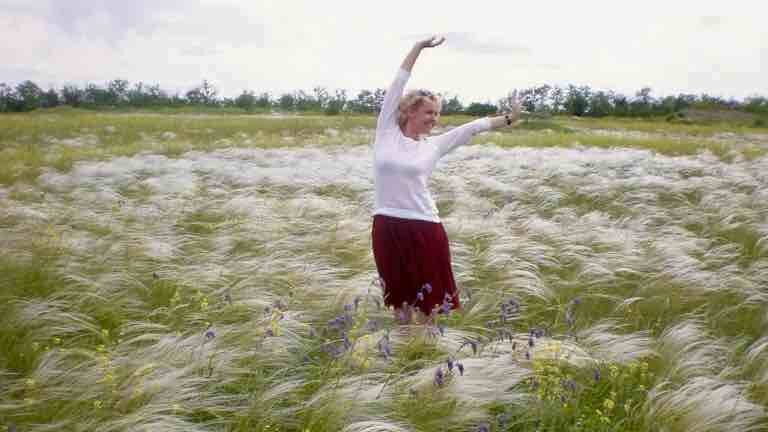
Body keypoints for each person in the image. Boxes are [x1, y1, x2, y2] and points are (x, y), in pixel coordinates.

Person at [371, 35, 522, 325]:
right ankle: (405, 355)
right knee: (399, 301)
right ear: (410, 111)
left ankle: (426, 355)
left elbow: (472, 128)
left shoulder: (434, 146)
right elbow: (398, 83)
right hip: (387, 225)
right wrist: (418, 48)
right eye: (429, 112)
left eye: (438, 114)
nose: (435, 119)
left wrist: (509, 118)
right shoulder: (385, 133)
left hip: (425, 226)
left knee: (428, 304)